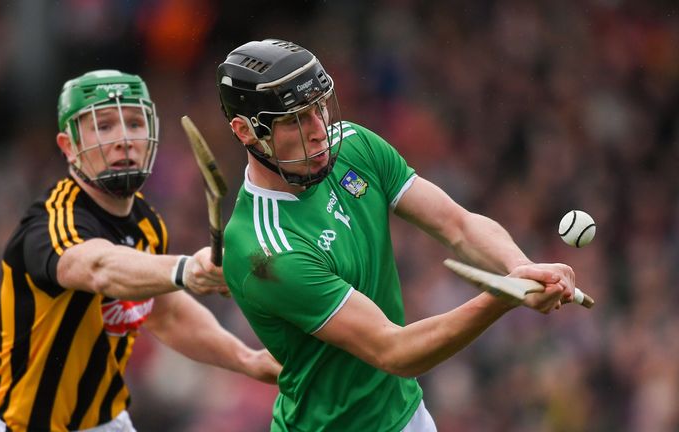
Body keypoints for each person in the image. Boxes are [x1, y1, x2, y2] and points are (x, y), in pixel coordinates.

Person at [215, 39, 577, 432]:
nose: (319, 130)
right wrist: (504, 296)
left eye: (319, 107)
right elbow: (393, 350)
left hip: (408, 414)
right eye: (297, 120)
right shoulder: (266, 251)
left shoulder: (352, 146)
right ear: (246, 131)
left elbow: (457, 224)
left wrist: (522, 268)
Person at [0, 69, 281, 432]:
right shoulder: (51, 222)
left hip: (108, 423)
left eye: (134, 123)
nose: (124, 139)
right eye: (104, 126)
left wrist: (247, 360)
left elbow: (166, 314)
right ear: (69, 146)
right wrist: (185, 269)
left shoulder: (147, 224)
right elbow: (98, 268)